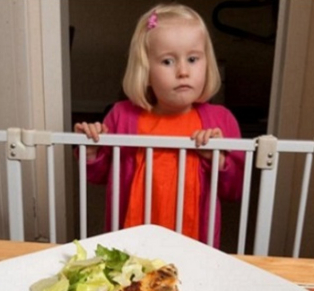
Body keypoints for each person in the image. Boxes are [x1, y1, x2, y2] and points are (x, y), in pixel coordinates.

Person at [74, 3, 244, 248]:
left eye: (193, 59)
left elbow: (236, 189)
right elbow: (99, 175)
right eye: (167, 62)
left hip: (195, 242)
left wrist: (217, 159)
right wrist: (90, 151)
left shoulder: (220, 119)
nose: (183, 71)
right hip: (130, 240)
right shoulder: (123, 115)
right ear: (146, 71)